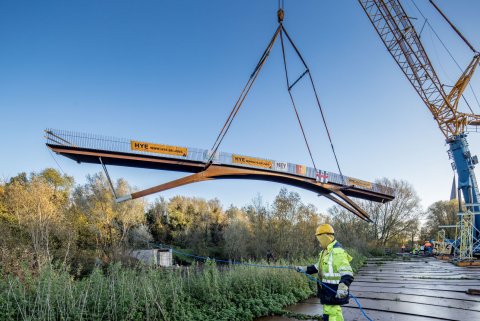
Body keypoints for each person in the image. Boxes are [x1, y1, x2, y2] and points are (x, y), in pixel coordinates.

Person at [296, 224, 354, 321]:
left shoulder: (337, 252)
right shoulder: (325, 252)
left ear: (325, 237)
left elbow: (348, 274)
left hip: (335, 291)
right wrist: (304, 269)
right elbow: (317, 267)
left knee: (332, 314)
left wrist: (343, 287)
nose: (318, 242)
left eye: (319, 239)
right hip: (327, 291)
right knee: (331, 313)